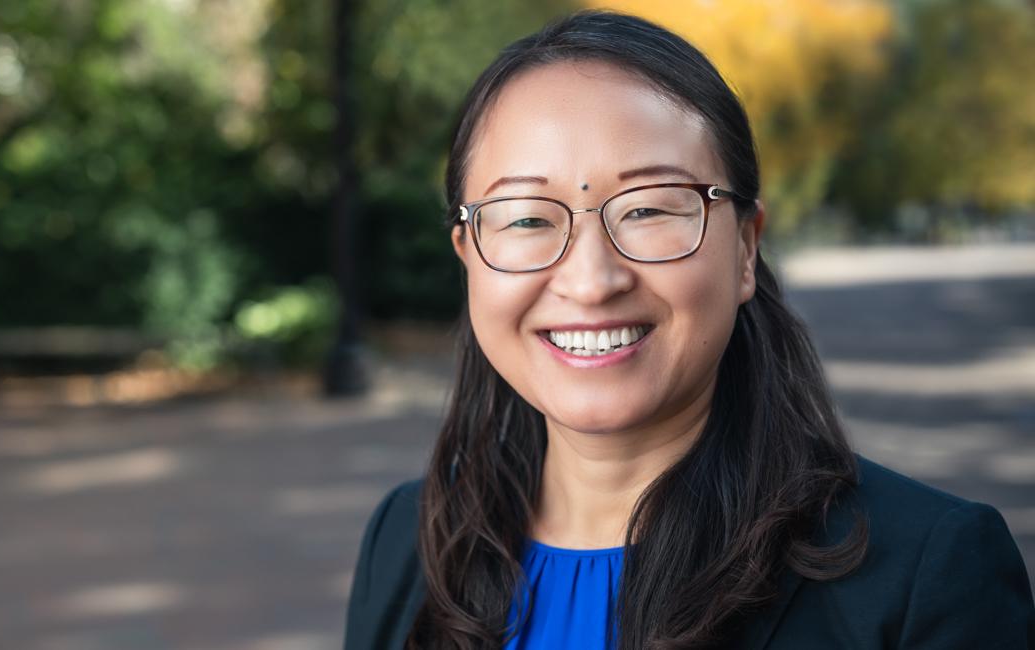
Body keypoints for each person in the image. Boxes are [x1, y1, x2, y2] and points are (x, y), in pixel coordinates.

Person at [343, 10, 1034, 650]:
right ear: (468, 255)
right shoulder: (406, 542)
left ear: (745, 248)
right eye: (526, 217)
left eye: (648, 210)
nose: (590, 281)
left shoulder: (926, 573)